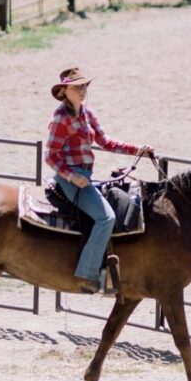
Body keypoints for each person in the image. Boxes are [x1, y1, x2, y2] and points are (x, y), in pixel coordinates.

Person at [46, 67, 153, 293]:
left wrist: (137, 149)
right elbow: (50, 155)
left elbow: (105, 142)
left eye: (84, 86)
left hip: (85, 175)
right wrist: (72, 176)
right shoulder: (60, 117)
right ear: (65, 90)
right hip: (71, 178)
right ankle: (87, 274)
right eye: (76, 87)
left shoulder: (86, 113)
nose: (82, 90)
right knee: (106, 218)